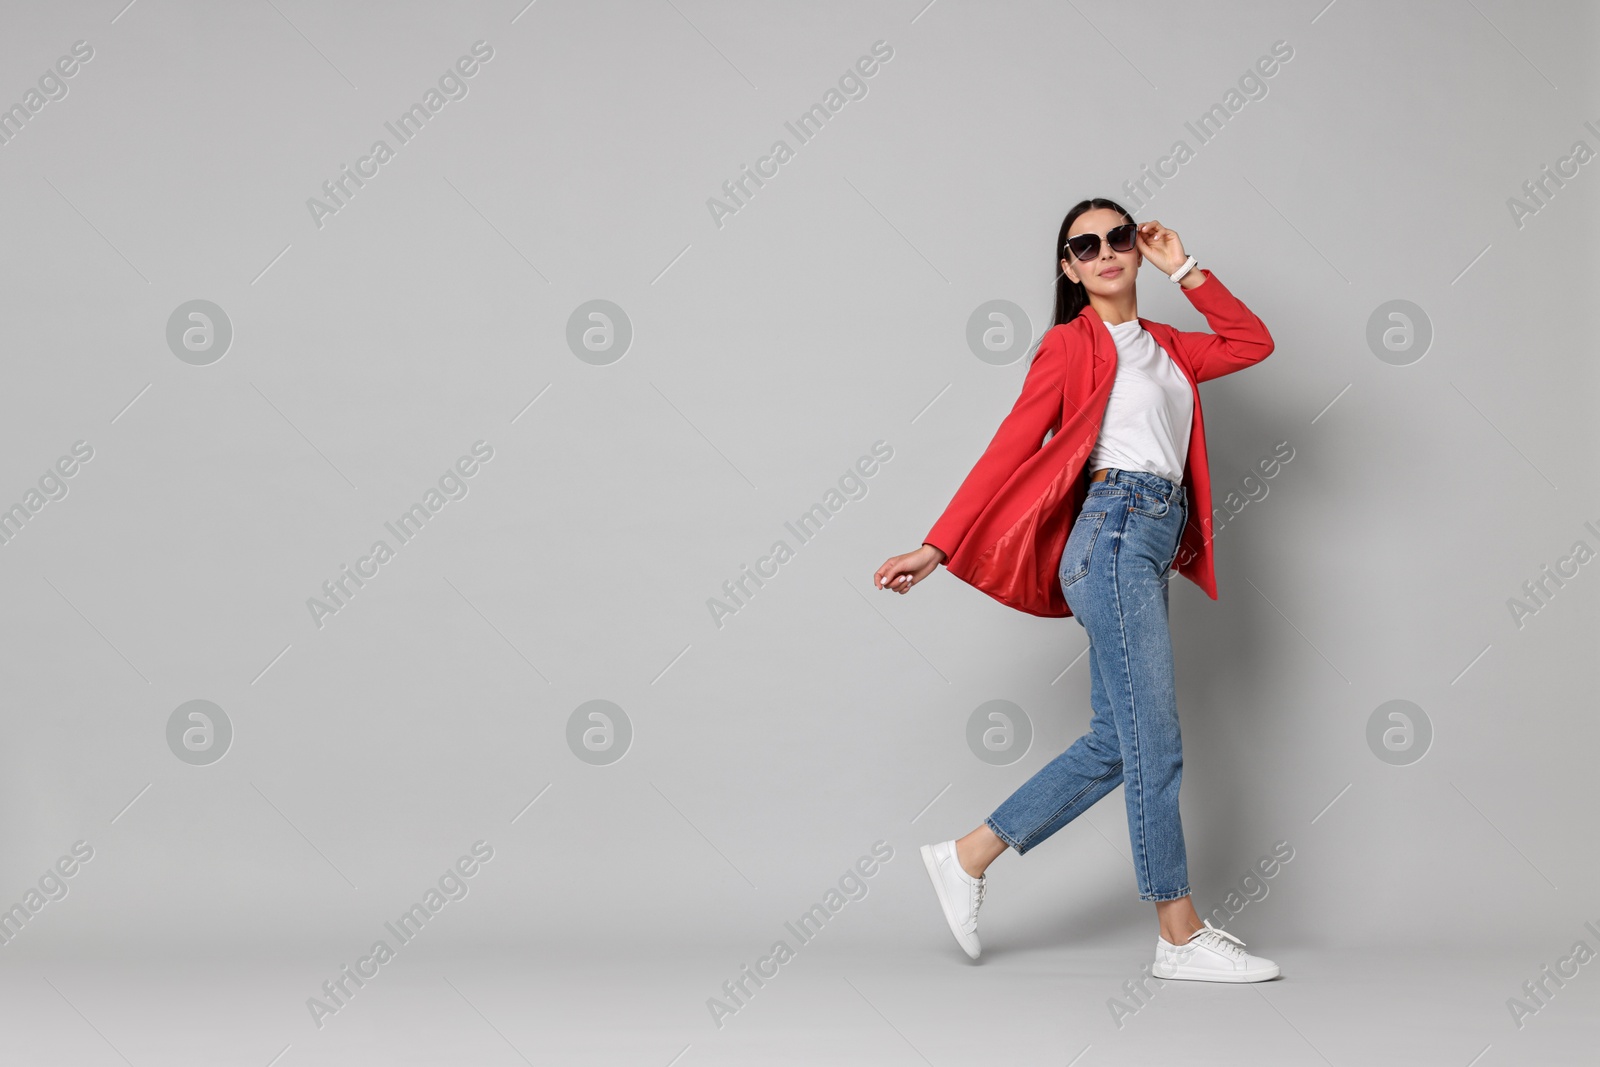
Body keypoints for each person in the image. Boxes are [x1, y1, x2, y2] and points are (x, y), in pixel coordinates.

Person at [872, 199, 1280, 982]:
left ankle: (966, 857)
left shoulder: (1169, 348)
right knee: (1154, 740)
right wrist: (939, 542)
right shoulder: (1070, 345)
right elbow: (1010, 446)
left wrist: (1185, 268)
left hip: (1147, 543)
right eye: (1083, 245)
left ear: (1135, 246)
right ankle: (1178, 933)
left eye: (1117, 237)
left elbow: (1252, 342)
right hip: (1113, 533)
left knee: (1115, 742)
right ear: (1068, 267)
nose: (1104, 252)